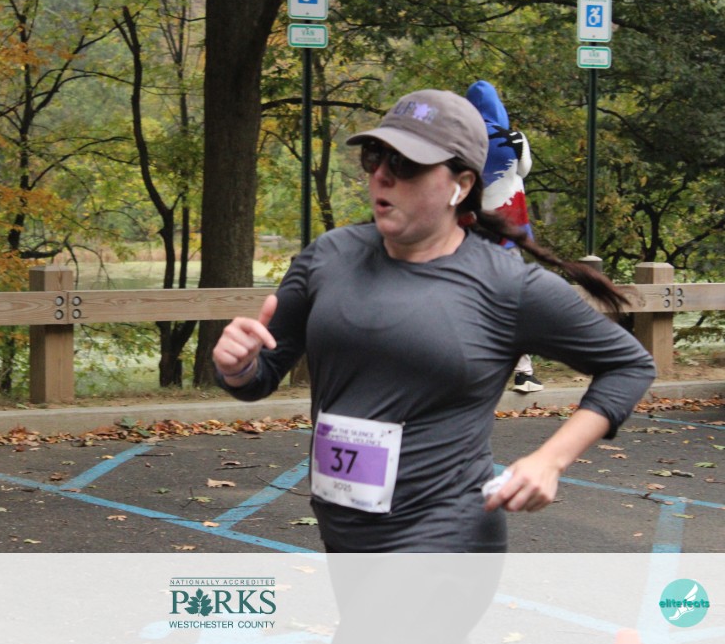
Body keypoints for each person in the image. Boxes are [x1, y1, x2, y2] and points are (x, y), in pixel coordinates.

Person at [212, 88, 655, 553]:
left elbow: (629, 364)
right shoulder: (328, 257)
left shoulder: (507, 284)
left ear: (460, 185)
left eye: (405, 163)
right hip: (344, 530)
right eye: (374, 157)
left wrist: (550, 460)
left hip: (448, 534)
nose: (382, 175)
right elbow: (260, 376)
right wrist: (238, 367)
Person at [466, 79, 542, 393]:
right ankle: (524, 373)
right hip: (509, 231)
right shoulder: (515, 138)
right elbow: (524, 170)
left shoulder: (460, 138)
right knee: (513, 299)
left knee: (468, 297)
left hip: (468, 230)